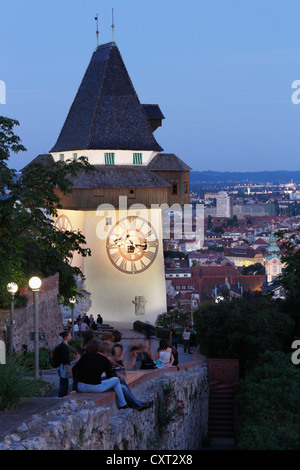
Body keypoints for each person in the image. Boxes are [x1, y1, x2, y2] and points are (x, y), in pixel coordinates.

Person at [72, 340, 128, 410]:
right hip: (95, 388)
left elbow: (75, 369)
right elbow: (109, 376)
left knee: (121, 386)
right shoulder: (105, 360)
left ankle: (126, 402)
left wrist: (74, 388)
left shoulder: (85, 356)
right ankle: (123, 404)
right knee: (116, 380)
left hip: (81, 387)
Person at [58, 331, 72, 397]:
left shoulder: (64, 345)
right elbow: (65, 360)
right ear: (65, 337)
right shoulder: (63, 347)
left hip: (63, 366)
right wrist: (69, 371)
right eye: (69, 336)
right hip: (63, 367)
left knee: (64, 383)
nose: (71, 337)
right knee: (64, 384)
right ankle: (61, 397)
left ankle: (62, 396)